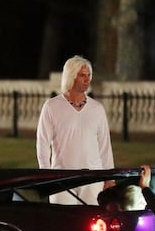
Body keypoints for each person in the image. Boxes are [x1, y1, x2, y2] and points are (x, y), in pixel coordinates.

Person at [36, 55, 114, 205]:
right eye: (82, 75)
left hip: (93, 178)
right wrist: (45, 175)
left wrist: (109, 178)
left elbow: (105, 147)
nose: (87, 79)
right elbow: (43, 144)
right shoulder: (52, 107)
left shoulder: (97, 109)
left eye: (88, 75)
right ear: (71, 76)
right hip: (62, 179)